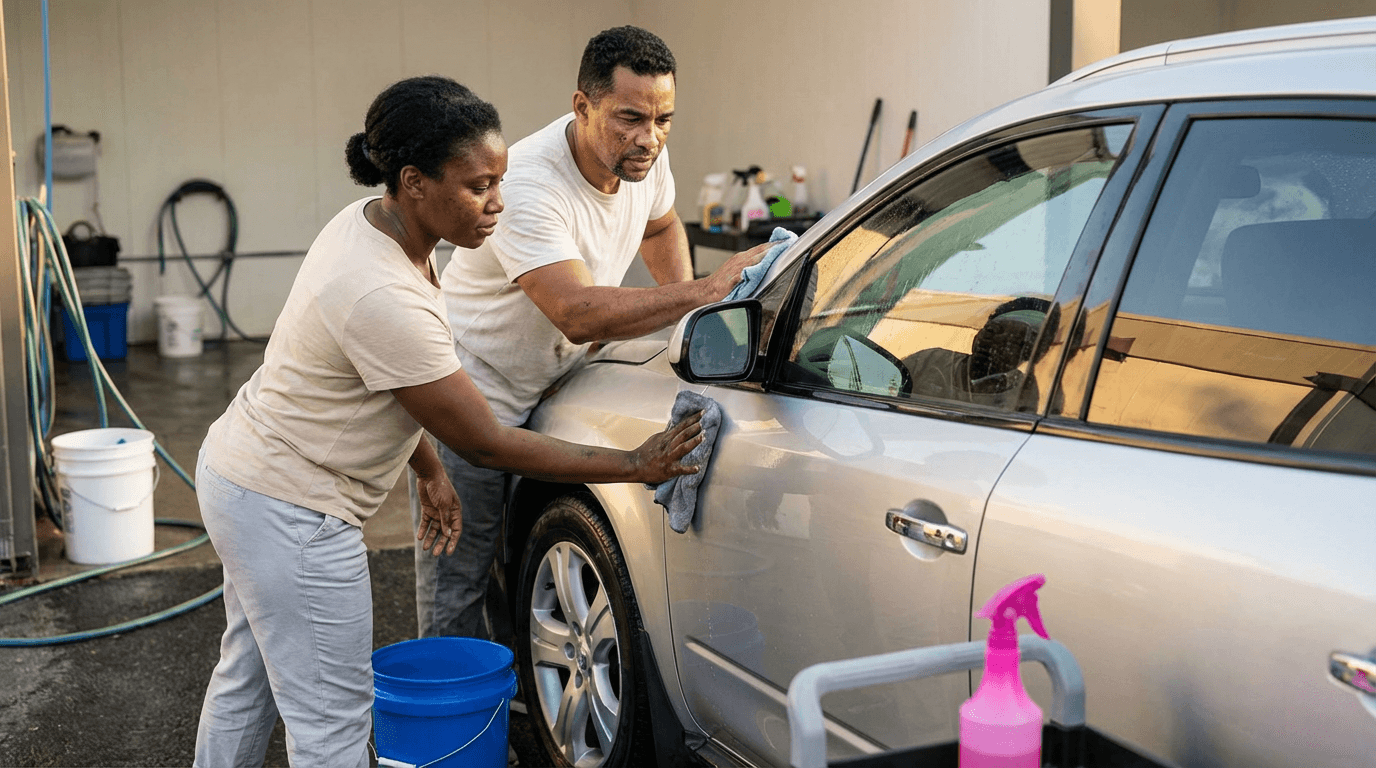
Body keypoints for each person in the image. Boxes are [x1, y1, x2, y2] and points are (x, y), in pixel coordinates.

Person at [192, 76, 704, 768]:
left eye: (500, 180)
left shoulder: (374, 226)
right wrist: (633, 464)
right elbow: (485, 441)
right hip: (295, 512)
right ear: (414, 183)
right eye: (478, 186)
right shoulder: (381, 292)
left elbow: (387, 390)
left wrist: (430, 472)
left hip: (243, 475)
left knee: (247, 682)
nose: (499, 202)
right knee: (332, 727)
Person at [412, 25, 770, 641]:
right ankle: (455, 725)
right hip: (474, 394)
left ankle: (518, 702)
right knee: (460, 581)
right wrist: (706, 292)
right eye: (630, 118)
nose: (649, 138)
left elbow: (659, 230)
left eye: (663, 119)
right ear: (583, 106)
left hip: (551, 385)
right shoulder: (528, 181)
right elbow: (575, 312)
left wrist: (689, 318)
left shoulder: (642, 162)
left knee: (522, 564)